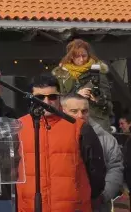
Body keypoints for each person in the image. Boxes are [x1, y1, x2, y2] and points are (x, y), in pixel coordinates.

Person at [16, 74, 106, 212]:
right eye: (40, 97)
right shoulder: (18, 127)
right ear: (31, 98)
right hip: (29, 207)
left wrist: (84, 199)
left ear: (59, 98)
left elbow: (96, 171)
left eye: (52, 97)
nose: (47, 101)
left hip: (73, 207)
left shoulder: (79, 127)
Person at [61, 93, 124, 212]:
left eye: (84, 111)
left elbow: (115, 168)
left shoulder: (106, 139)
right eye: (74, 111)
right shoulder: (52, 137)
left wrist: (102, 196)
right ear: (63, 111)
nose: (80, 115)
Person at [52, 39, 113, 132]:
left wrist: (99, 99)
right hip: (71, 121)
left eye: (84, 55)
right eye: (77, 56)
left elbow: (109, 106)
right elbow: (58, 100)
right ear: (71, 56)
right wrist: (76, 95)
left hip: (97, 124)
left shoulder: (98, 73)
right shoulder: (62, 75)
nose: (81, 59)